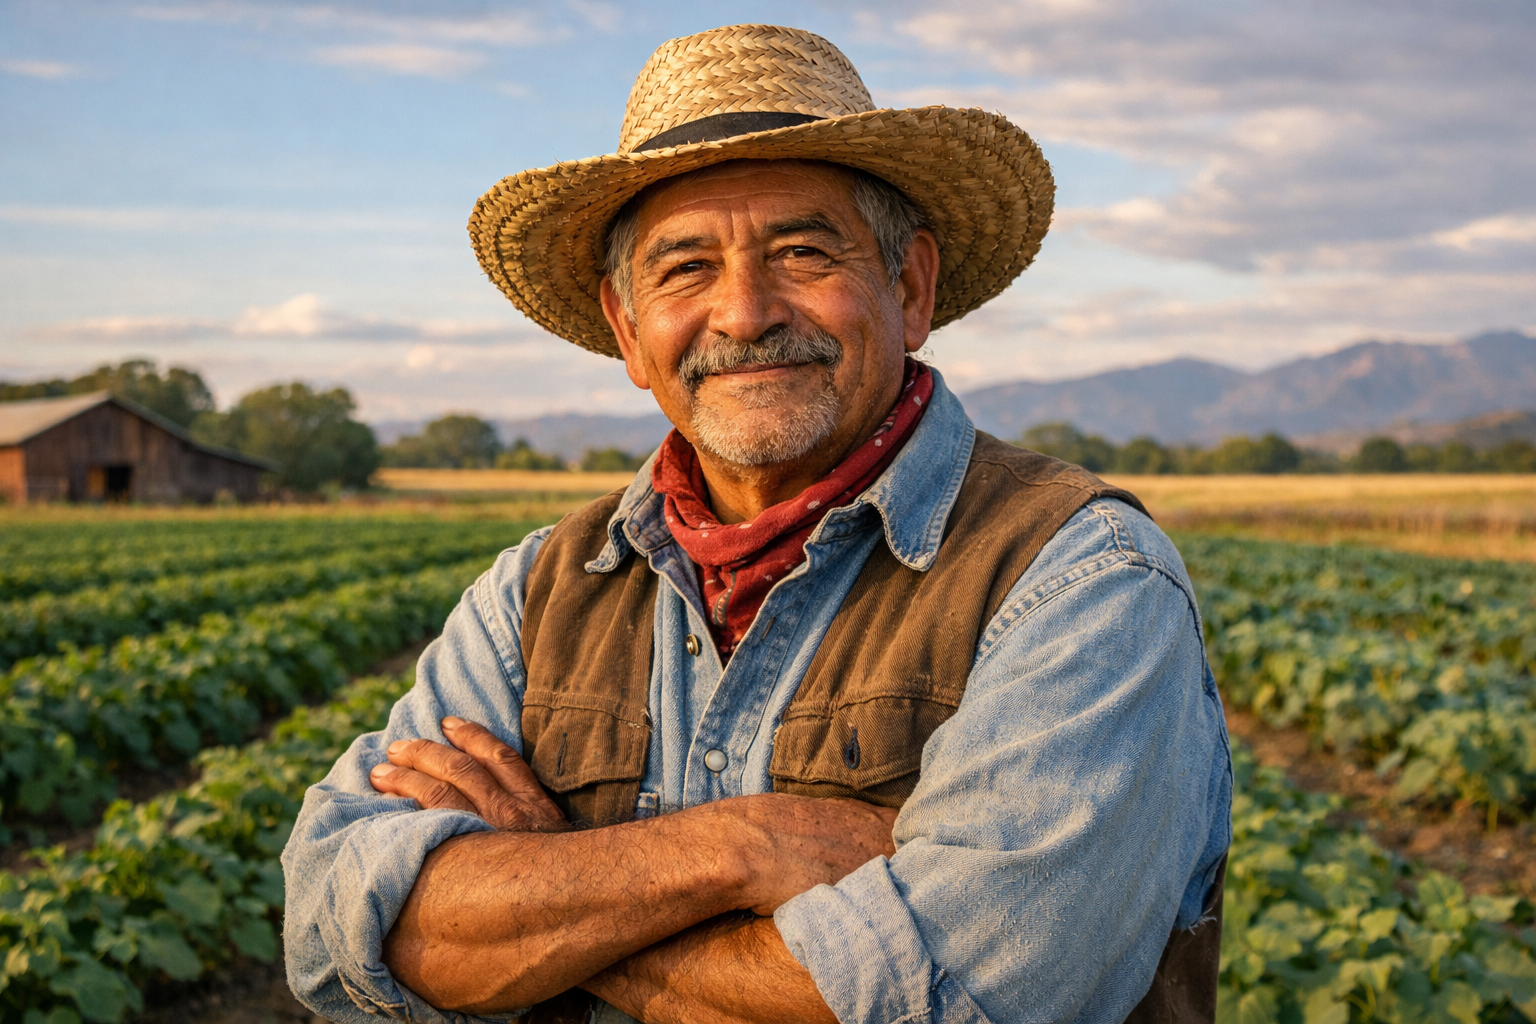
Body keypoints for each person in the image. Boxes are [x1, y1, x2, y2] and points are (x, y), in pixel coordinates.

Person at [283, 23, 1231, 1024]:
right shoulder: (541, 589)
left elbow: (962, 999)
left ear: (908, 289)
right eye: (685, 267)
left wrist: (547, 883)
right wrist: (740, 850)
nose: (743, 312)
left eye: (802, 250)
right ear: (628, 330)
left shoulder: (1076, 577)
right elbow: (334, 923)